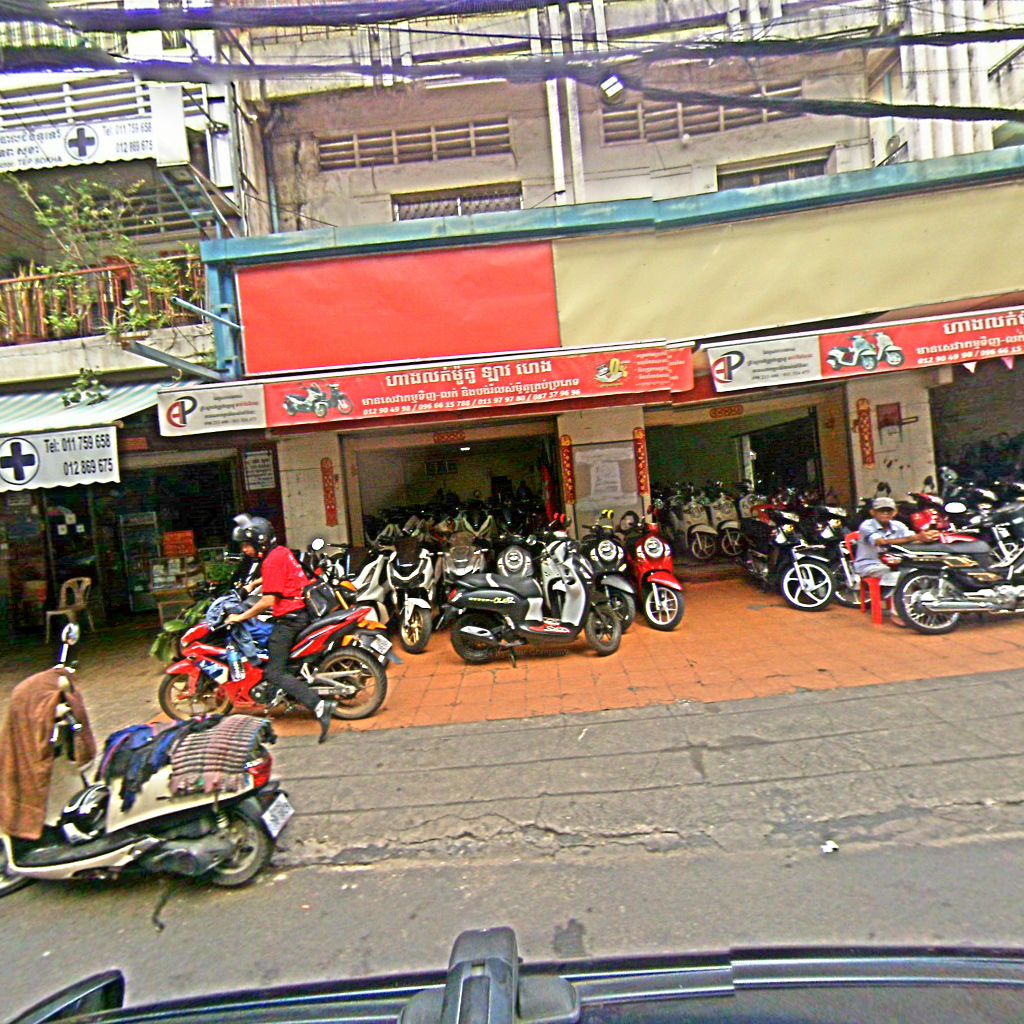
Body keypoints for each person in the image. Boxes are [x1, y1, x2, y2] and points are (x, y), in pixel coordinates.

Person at [223, 514, 335, 743]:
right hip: (300, 611)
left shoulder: (271, 561)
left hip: (291, 619)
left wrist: (240, 617)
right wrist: (254, 584)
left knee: (274, 672)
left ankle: (319, 705)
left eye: (247, 545)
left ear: (260, 543)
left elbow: (268, 601)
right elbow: (281, 578)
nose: (244, 549)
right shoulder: (281, 552)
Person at [854, 496, 940, 579]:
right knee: (894, 573)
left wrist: (928, 537)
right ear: (873, 512)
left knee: (921, 570)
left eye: (889, 510)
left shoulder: (898, 525)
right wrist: (916, 537)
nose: (885, 513)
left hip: (894, 563)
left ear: (895, 512)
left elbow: (912, 540)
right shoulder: (867, 525)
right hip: (869, 564)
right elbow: (881, 542)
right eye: (881, 510)